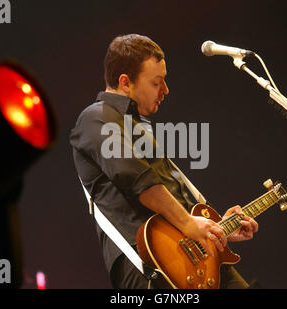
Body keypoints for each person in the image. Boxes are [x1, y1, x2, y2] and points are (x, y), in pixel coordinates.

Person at [70, 34, 258, 289]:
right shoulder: (95, 118)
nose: (166, 90)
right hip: (149, 266)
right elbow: (139, 181)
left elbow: (174, 199)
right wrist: (190, 224)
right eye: (157, 82)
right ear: (125, 83)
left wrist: (217, 227)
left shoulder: (135, 126)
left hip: (194, 257)